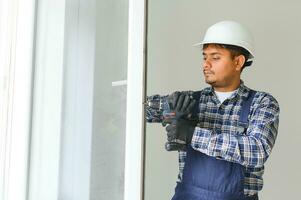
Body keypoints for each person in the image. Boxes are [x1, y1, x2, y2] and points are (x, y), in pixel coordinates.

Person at [164, 20, 280, 200]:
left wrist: (191, 135)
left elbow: (257, 150)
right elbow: (143, 106)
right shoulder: (188, 101)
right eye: (204, 57)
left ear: (238, 62)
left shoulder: (262, 103)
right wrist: (159, 109)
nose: (206, 64)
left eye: (215, 57)